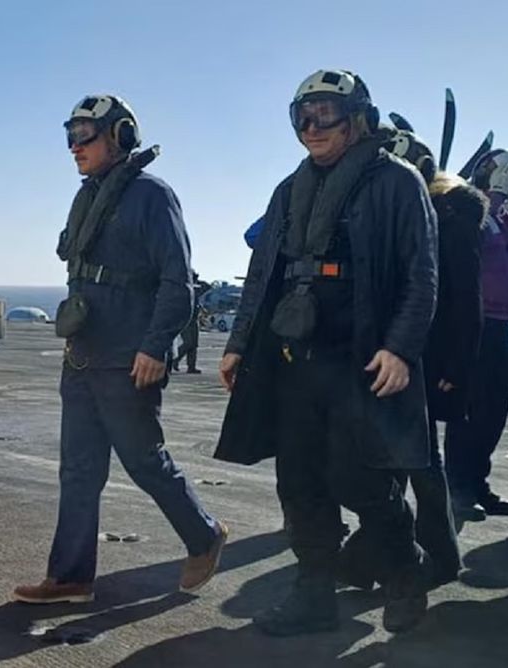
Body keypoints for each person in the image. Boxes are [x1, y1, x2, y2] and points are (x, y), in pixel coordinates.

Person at [216, 70, 438, 636]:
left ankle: (406, 573)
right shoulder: (289, 190)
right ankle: (313, 593)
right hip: (293, 358)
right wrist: (240, 344)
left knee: (360, 479)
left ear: (358, 117)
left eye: (325, 114)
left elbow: (421, 274)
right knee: (299, 482)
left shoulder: (396, 182)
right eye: (302, 116)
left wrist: (400, 348)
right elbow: (262, 273)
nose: (312, 127)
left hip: (360, 356)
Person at [13, 94, 227, 606]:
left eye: (84, 134)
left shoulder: (152, 196)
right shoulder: (89, 196)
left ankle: (204, 535)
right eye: (70, 135)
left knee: (144, 461)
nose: (74, 146)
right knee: (79, 469)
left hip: (129, 356)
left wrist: (156, 347)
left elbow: (179, 282)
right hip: (83, 351)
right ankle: (70, 576)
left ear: (120, 136)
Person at [338, 131, 486, 589]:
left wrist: (454, 371)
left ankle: (425, 558)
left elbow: (465, 304)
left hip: (426, 358)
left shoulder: (451, 221)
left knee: (420, 465)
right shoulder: (396, 216)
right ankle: (398, 558)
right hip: (392, 354)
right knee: (400, 463)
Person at [444, 148, 508, 519]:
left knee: (494, 414)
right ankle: (456, 490)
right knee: (467, 412)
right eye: (499, 171)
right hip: (478, 326)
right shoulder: (469, 215)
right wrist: (490, 196)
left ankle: (478, 483)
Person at [174, 271, 210, 373]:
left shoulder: (196, 289)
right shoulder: (183, 287)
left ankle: (191, 367)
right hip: (185, 319)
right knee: (188, 343)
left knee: (194, 345)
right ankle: (174, 360)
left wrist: (195, 280)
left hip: (194, 320)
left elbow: (207, 286)